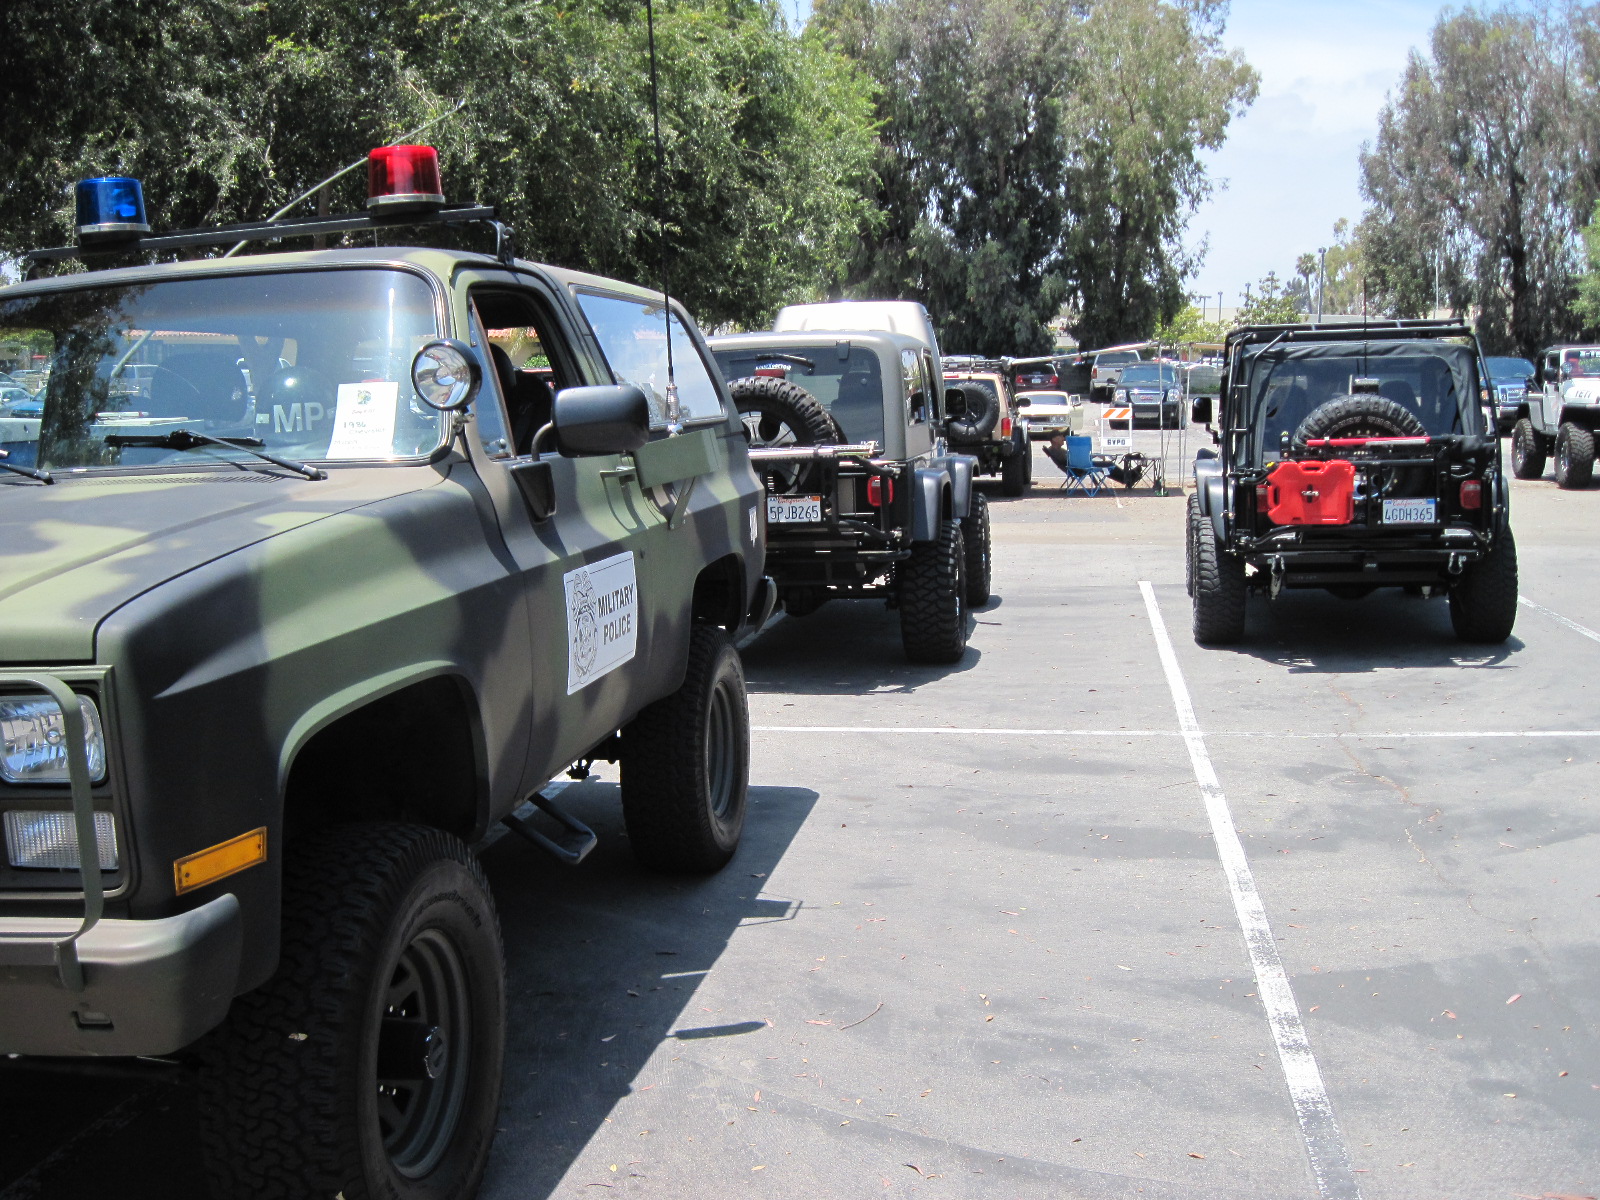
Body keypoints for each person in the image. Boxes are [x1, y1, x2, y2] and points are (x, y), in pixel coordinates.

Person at [1043, 431, 1144, 487]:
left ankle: (1127, 478)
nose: (1063, 438)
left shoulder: (1056, 450)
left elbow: (1073, 458)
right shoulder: (1056, 451)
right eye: (1060, 436)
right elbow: (1071, 459)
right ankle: (1126, 478)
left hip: (1078, 466)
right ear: (1054, 439)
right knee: (1109, 465)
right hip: (1078, 468)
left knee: (1106, 465)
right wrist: (1089, 457)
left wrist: (1093, 455)